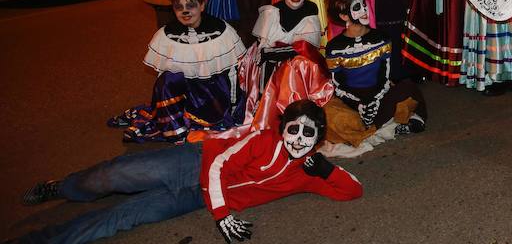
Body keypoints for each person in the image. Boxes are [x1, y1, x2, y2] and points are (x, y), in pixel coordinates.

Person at [22, 101, 362, 244]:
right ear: (282, 128)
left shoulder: (308, 172)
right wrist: (223, 215)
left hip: (195, 198)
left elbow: (352, 191)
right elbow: (218, 165)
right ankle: (63, 188)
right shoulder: (262, 140)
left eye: (309, 133)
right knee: (113, 177)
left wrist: (327, 169)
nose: (299, 140)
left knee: (124, 215)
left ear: (318, 139)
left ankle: (38, 240)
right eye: (294, 130)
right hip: (195, 163)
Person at [108, 0, 246, 143]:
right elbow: (163, 77)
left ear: (202, 6)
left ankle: (204, 118)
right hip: (186, 91)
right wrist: (160, 102)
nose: (185, 12)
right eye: (179, 7)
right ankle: (175, 130)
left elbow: (233, 71)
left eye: (191, 6)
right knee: (165, 80)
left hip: (213, 91)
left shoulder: (221, 30)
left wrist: (232, 106)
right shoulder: (167, 34)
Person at [325, 0, 427, 134]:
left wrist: (375, 100)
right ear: (344, 16)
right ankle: (374, 122)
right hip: (352, 99)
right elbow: (338, 85)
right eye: (357, 7)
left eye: (364, 5)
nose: (364, 10)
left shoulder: (381, 38)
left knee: (409, 87)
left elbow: (385, 76)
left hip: (379, 93)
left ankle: (410, 120)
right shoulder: (334, 47)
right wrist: (359, 104)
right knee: (330, 114)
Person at [239, 0, 323, 122]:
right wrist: (268, 53)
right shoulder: (271, 12)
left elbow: (304, 48)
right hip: (271, 69)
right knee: (258, 60)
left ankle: (296, 106)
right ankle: (263, 103)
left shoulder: (311, 10)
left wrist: (272, 53)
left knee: (300, 62)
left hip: (295, 66)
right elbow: (262, 49)